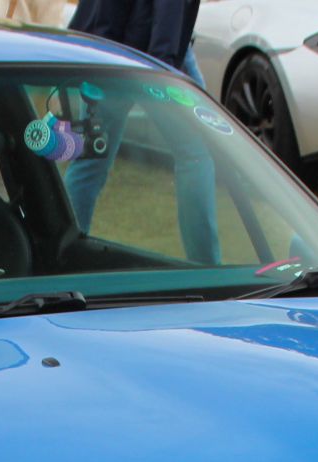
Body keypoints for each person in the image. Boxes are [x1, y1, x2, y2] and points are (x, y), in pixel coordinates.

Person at [62, 0, 221, 264]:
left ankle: (60, 255)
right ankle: (208, 269)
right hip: (148, 51)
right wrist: (163, 66)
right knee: (196, 153)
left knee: (90, 162)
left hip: (109, 43)